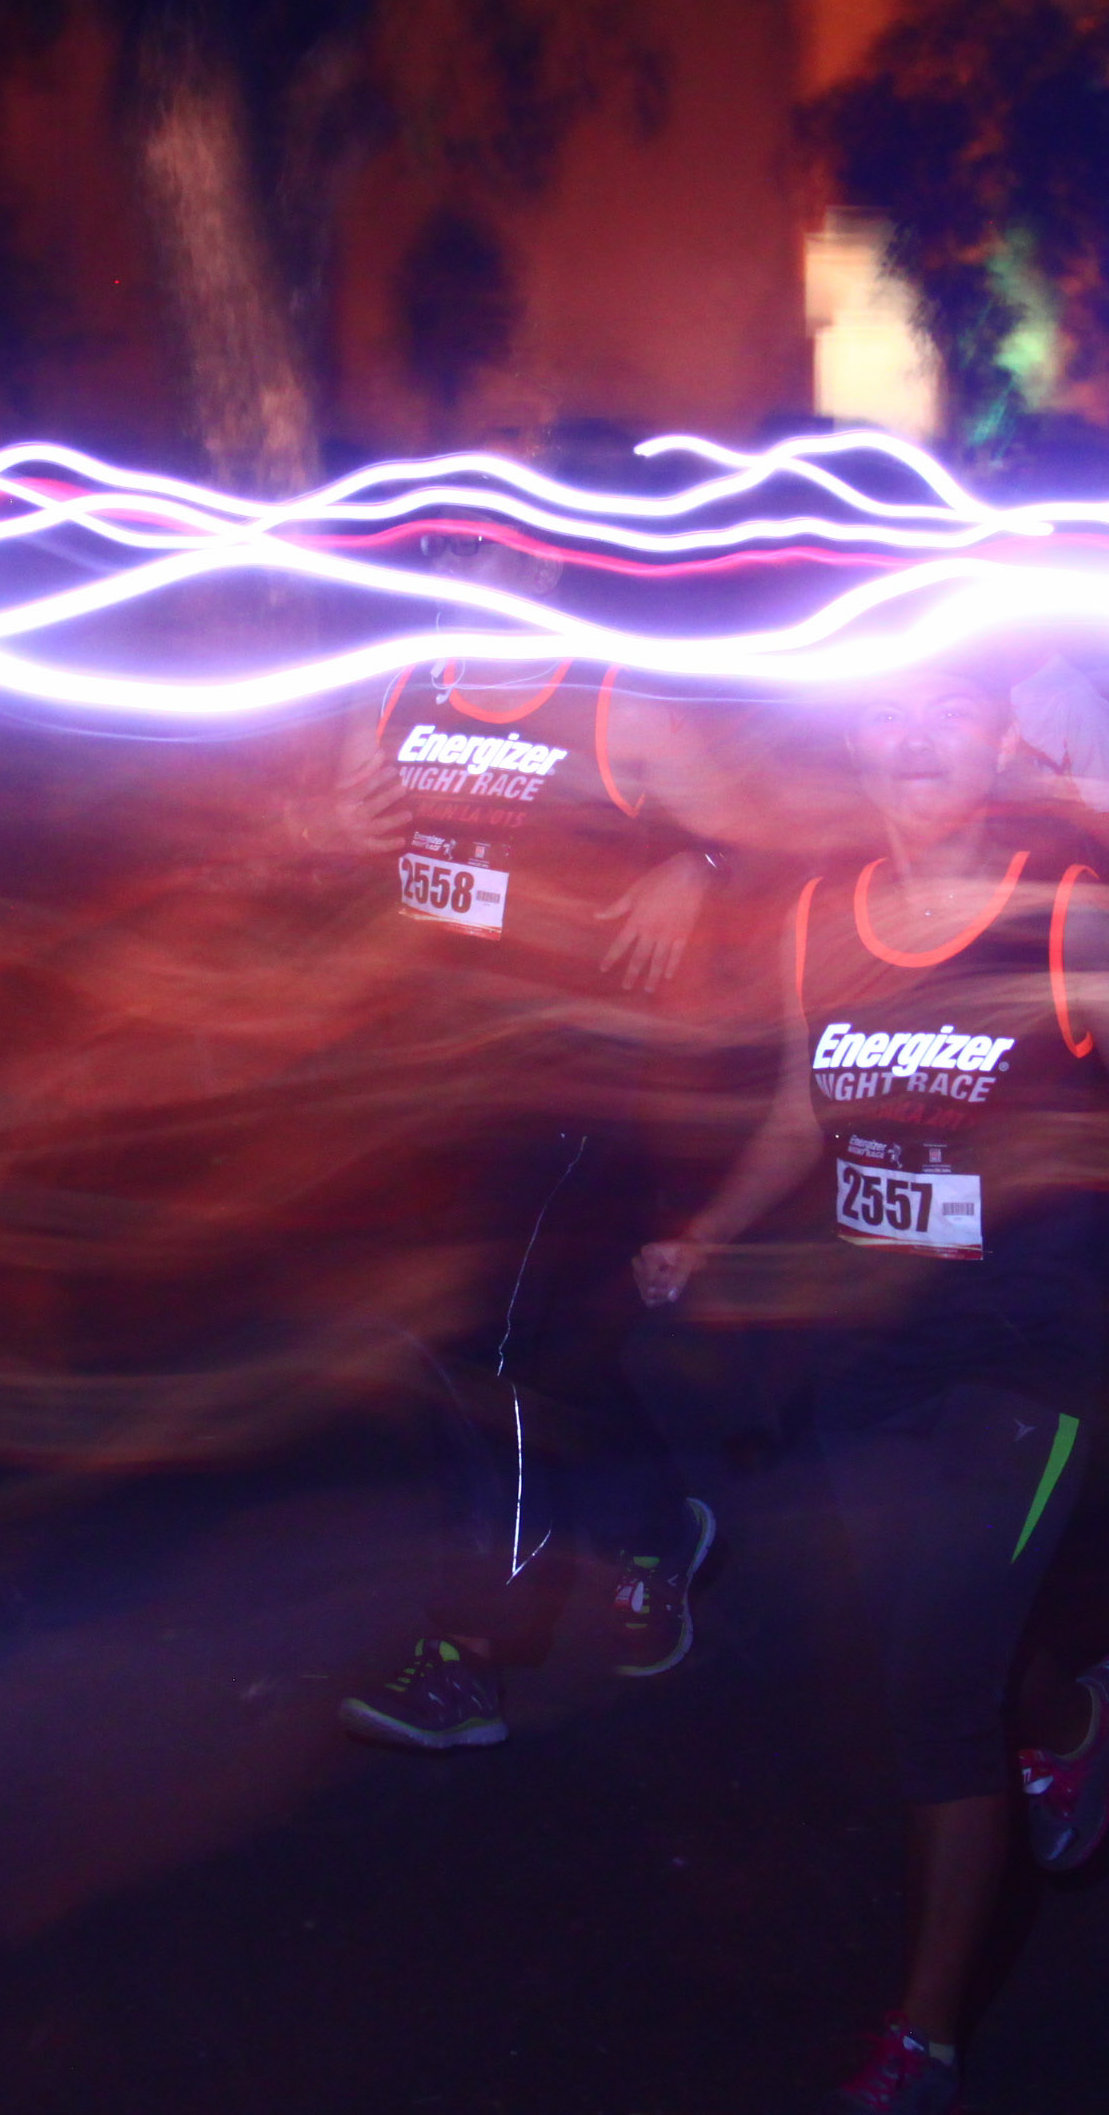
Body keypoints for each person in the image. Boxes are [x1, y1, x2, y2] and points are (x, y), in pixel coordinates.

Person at [633, 657, 1109, 2114]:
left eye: (949, 712)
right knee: (940, 1639)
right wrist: (707, 1231)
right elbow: (799, 1110)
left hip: (1019, 1359)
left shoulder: (1064, 913)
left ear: (1000, 746)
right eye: (889, 714)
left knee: (935, 1691)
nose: (914, 739)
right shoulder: (818, 916)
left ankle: (925, 2038)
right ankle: (1083, 1725)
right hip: (868, 1358)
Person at [305, 531, 739, 1748]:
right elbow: (329, 844)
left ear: (542, 571)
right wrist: (330, 830)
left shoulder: (615, 706)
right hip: (427, 1074)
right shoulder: (393, 690)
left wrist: (697, 864)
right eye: (438, 551)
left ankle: (470, 1651)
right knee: (555, 1353)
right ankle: (659, 1529)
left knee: (481, 1343)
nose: (454, 576)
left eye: (484, 555)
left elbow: (763, 826)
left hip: (570, 1077)